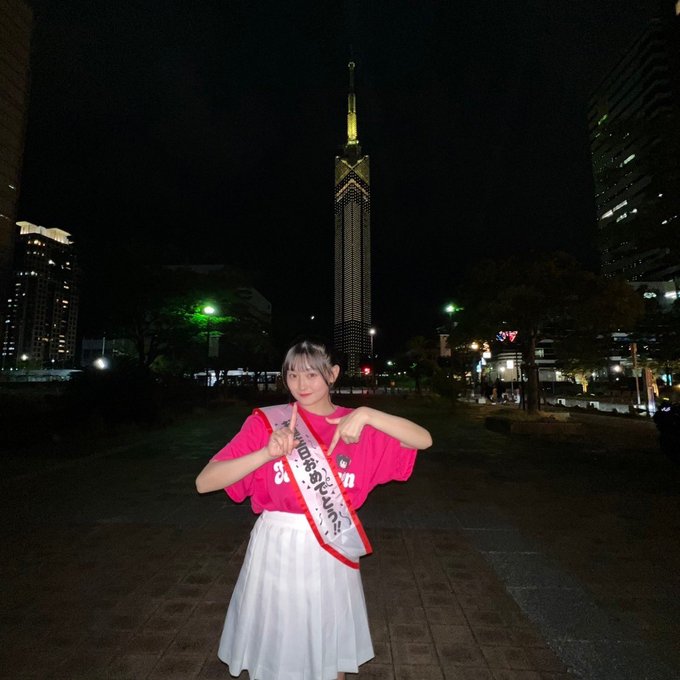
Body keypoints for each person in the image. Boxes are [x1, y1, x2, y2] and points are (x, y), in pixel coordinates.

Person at [195, 338, 432, 680]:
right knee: (276, 643)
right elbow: (204, 482)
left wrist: (368, 414)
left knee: (328, 644)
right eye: (292, 375)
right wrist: (265, 454)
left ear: (332, 374)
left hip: (331, 545)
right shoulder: (268, 423)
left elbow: (423, 439)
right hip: (276, 546)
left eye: (311, 375)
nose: (301, 385)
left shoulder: (356, 425)